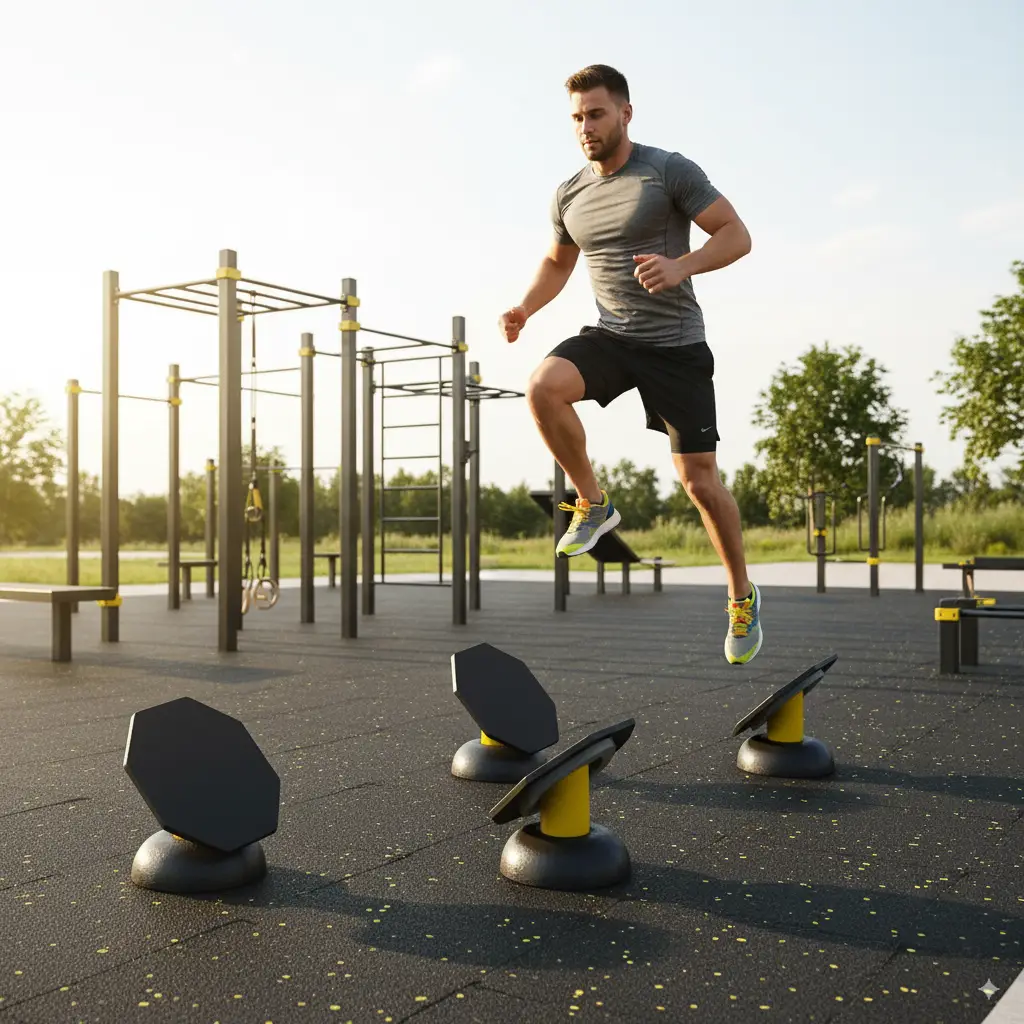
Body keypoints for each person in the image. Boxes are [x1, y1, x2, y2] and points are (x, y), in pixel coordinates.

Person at [498, 63, 762, 665]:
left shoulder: (668, 170)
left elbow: (736, 234)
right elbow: (558, 263)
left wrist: (682, 267)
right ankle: (594, 503)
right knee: (543, 386)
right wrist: (525, 308)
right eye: (576, 118)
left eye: (595, 113)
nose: (585, 126)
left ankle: (740, 595)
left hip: (675, 345)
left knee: (699, 483)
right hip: (613, 336)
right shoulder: (570, 192)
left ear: (624, 113)